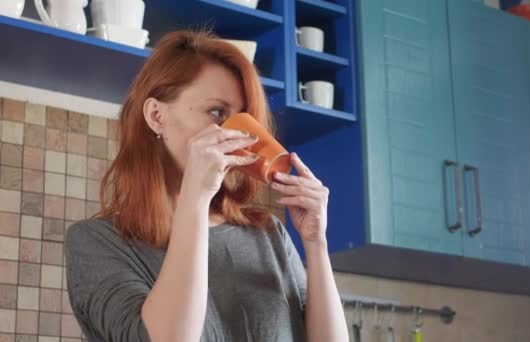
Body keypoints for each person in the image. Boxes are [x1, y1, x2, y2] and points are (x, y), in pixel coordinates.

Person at [64, 30, 349, 342]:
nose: (235, 133)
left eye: (243, 118)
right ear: (157, 116)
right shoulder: (96, 242)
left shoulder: (269, 235)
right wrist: (195, 197)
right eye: (217, 112)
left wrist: (316, 243)